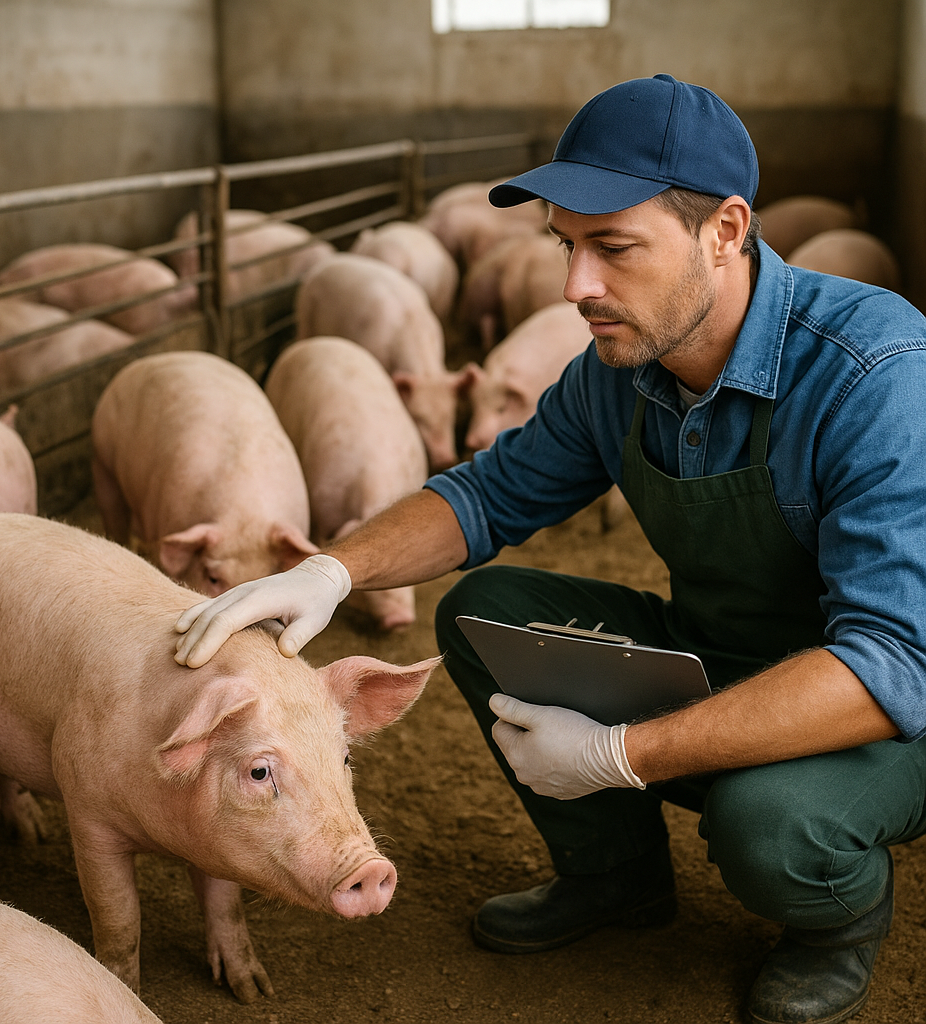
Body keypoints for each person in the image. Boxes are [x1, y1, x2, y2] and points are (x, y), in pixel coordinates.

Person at [172, 74, 926, 1024]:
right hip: (722, 652)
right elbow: (486, 494)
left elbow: (888, 663)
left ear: (727, 232)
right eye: (566, 246)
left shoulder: (878, 373)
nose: (577, 287)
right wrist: (330, 570)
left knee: (768, 823)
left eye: (612, 247)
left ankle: (835, 926)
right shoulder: (623, 367)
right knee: (485, 617)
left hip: (888, 706)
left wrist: (619, 751)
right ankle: (617, 880)